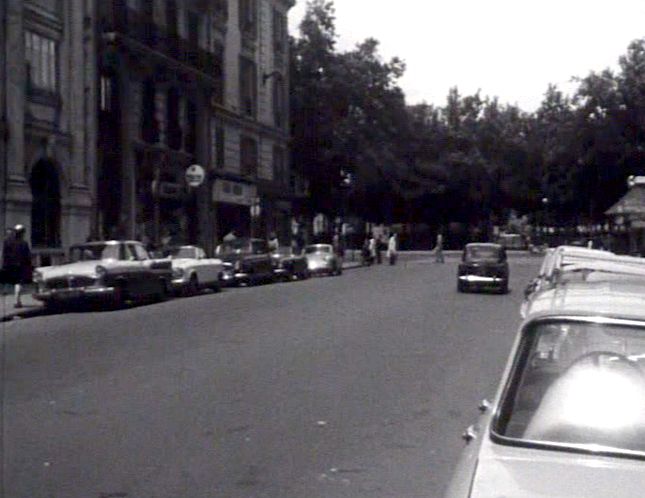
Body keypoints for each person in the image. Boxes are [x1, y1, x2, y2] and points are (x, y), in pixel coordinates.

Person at [2, 225, 32, 308]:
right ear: (22, 233)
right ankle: (17, 301)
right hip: (20, 266)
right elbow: (27, 256)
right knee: (18, 283)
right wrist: (29, 267)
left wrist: (5, 265)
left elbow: (5, 255)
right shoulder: (24, 243)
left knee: (12, 283)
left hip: (10, 265)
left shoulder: (7, 241)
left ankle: (13, 299)